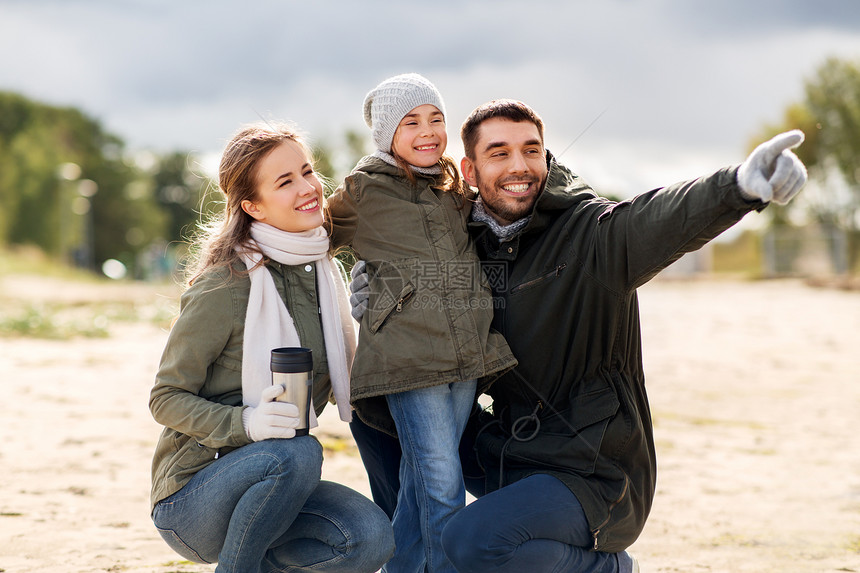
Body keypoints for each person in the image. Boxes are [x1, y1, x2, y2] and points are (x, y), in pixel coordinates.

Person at [349, 99, 807, 573]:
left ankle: (607, 568)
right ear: (469, 169)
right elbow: (403, 248)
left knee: (472, 541)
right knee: (378, 411)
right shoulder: (464, 248)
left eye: (531, 150)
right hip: (510, 451)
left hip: (593, 472)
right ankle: (408, 555)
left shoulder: (590, 233)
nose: (520, 166)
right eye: (499, 153)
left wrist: (738, 186)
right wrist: (385, 289)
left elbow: (655, 219)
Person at [148, 122, 394, 573]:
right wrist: (248, 422)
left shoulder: (321, 272)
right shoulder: (226, 284)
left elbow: (350, 379)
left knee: (371, 538)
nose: (308, 187)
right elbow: (164, 399)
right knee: (299, 451)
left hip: (276, 490)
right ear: (253, 206)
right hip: (193, 497)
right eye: (285, 181)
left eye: (307, 171)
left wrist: (374, 312)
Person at [325, 74, 517, 573]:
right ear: (388, 134)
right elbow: (310, 231)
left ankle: (405, 565)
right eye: (411, 122)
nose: (427, 131)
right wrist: (360, 281)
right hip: (409, 360)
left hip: (465, 350)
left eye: (436, 119)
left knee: (422, 480)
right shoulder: (363, 191)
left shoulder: (452, 188)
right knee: (442, 484)